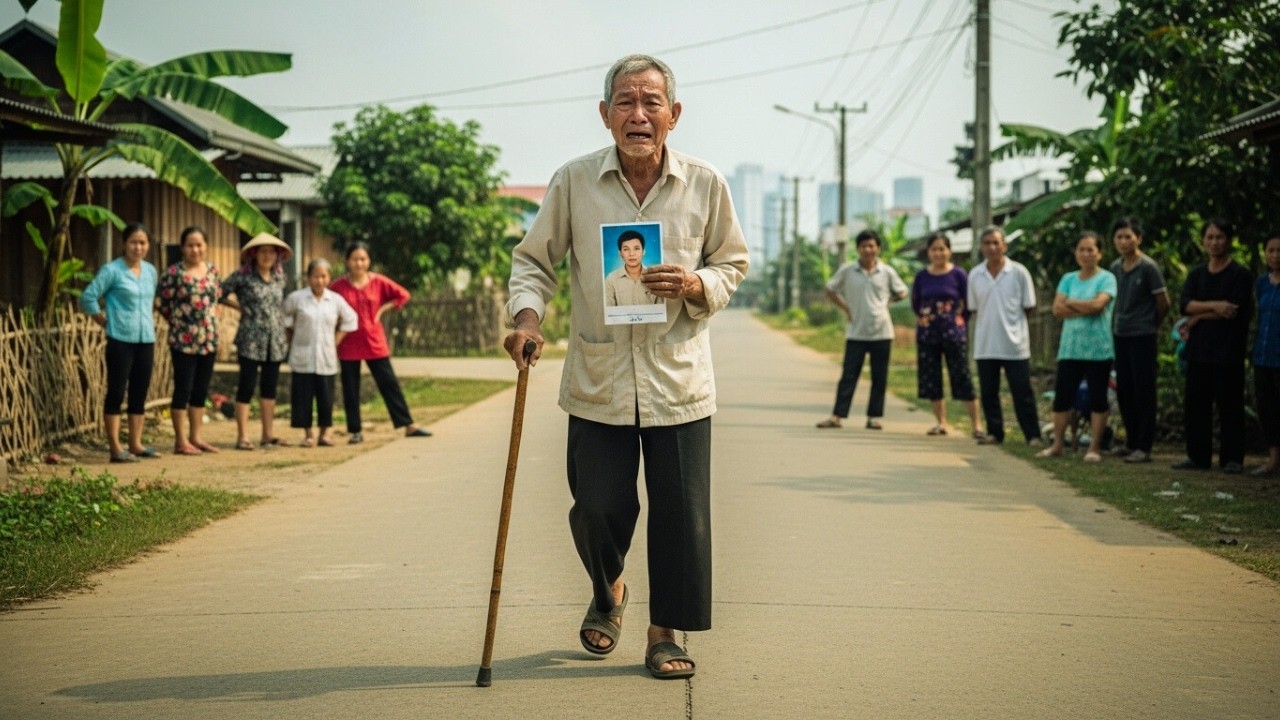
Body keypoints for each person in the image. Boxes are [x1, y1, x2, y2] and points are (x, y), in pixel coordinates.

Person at [502, 54, 748, 680]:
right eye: (626, 102)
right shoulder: (573, 181)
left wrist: (696, 281)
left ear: (674, 114)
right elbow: (534, 261)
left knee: (679, 514)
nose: (639, 114)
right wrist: (527, 317)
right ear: (605, 113)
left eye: (652, 102)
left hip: (678, 379)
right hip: (598, 377)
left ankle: (665, 633)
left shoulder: (705, 182)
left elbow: (733, 263)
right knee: (596, 506)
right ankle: (608, 586)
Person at [330, 241, 431, 444]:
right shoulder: (338, 286)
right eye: (355, 259)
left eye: (363, 259)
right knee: (350, 388)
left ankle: (408, 425)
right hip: (348, 344)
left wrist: (383, 309)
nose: (359, 263)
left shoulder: (378, 282)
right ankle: (355, 431)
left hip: (374, 341)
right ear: (347, 261)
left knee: (389, 384)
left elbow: (403, 295)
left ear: (368, 261)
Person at [1174, 218, 1254, 474]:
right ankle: (1197, 457)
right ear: (1203, 240)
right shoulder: (1197, 274)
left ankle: (1232, 458)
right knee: (1196, 405)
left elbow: (1235, 311)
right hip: (1198, 350)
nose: (1214, 242)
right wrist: (1215, 306)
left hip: (1228, 351)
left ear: (1229, 240)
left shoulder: (1240, 274)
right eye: (1209, 237)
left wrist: (1199, 314)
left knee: (1230, 405)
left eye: (1219, 237)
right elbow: (1185, 305)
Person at [81, 222, 159, 463]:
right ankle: (115, 448)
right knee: (116, 391)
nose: (138, 247)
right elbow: (88, 297)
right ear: (124, 244)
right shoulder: (111, 270)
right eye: (134, 242)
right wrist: (104, 321)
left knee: (139, 392)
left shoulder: (150, 271)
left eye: (143, 242)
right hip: (120, 339)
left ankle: (135, 444)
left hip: (146, 338)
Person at [1037, 231, 1117, 462]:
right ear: (1076, 253)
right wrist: (1084, 305)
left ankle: (1094, 447)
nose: (1086, 254)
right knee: (1062, 398)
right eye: (1081, 249)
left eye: (1090, 249)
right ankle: (1058, 444)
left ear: (1099, 253)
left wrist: (1071, 303)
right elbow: (1057, 310)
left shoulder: (1107, 279)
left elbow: (1098, 306)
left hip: (1098, 349)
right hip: (1070, 349)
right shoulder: (1068, 279)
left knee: (1097, 399)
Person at [815, 229, 907, 430]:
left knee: (879, 377)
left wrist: (888, 301)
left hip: (882, 332)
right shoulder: (848, 270)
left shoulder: (887, 272)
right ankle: (837, 416)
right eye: (864, 246)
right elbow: (830, 289)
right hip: (856, 332)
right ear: (858, 248)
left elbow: (902, 291)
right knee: (849, 375)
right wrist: (846, 308)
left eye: (872, 245)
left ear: (878, 248)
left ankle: (874, 417)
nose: (868, 249)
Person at [967, 226, 1044, 447]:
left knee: (1022, 392)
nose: (992, 247)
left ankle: (1033, 435)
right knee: (989, 392)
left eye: (996, 243)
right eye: (987, 243)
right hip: (986, 344)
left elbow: (1028, 306)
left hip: (1015, 344)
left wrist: (1011, 324)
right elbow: (973, 308)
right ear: (981, 247)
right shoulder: (975, 274)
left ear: (1004, 245)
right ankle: (994, 432)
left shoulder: (1019, 272)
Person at [220, 233, 291, 450]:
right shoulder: (243, 277)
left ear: (276, 255)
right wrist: (238, 307)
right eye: (263, 251)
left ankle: (267, 434)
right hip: (250, 338)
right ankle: (243, 436)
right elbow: (219, 293)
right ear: (254, 254)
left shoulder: (280, 277)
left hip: (275, 340)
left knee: (269, 388)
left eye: (271, 252)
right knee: (247, 386)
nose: (267, 256)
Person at [1108, 217, 1169, 464]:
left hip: (1143, 335)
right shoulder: (1114, 267)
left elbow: (1164, 302)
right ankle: (1131, 441)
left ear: (1138, 238)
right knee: (1125, 390)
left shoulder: (1148, 267)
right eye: (1119, 237)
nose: (1124, 241)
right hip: (1120, 334)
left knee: (1144, 390)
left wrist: (1151, 325)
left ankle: (1144, 446)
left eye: (1128, 236)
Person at [157, 226, 221, 455]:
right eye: (190, 245)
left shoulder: (213, 271)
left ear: (206, 246)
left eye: (199, 244)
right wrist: (180, 324)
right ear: (182, 247)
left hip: (209, 339)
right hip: (182, 340)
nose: (195, 249)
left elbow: (216, 301)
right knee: (183, 388)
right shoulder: (173, 273)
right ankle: (180, 440)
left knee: (200, 389)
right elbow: (163, 305)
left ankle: (196, 437)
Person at [910, 232, 982, 437]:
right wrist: (925, 318)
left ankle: (976, 424)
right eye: (934, 249)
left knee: (962, 377)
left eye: (942, 248)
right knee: (932, 379)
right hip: (928, 335)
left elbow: (969, 302)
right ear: (928, 252)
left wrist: (960, 320)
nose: (938, 253)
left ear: (949, 251)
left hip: (953, 333)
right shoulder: (922, 276)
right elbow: (916, 303)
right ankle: (941, 422)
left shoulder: (959, 275)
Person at [282, 259, 357, 448]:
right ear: (308, 278)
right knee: (303, 397)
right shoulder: (296, 298)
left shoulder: (335, 300)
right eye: (315, 276)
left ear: (329, 278)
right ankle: (308, 434)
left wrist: (336, 340)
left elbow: (351, 319)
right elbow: (285, 319)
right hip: (302, 354)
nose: (319, 280)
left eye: (323, 276)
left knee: (326, 397)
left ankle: (325, 434)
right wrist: (291, 339)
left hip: (326, 356)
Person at [1250, 231, 1280, 476]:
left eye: (1279, 250)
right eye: (1271, 250)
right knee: (1267, 408)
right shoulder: (1261, 283)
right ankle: (1273, 460)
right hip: (1263, 355)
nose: (1275, 255)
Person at [605, 230, 661, 306]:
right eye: (626, 249)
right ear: (620, 253)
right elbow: (610, 314)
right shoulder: (611, 279)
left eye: (636, 248)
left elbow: (660, 312)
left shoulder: (655, 278)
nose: (631, 254)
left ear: (643, 251)